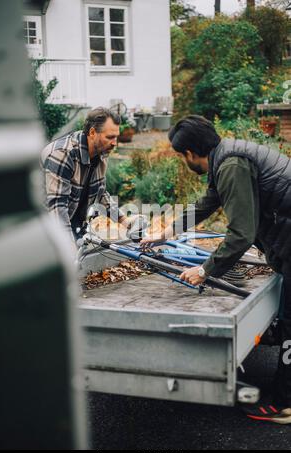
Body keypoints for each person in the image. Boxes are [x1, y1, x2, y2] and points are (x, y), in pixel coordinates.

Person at [141, 115, 291, 424]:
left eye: (181, 157)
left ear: (189, 153)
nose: (184, 162)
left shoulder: (231, 167)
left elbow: (241, 234)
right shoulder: (228, 156)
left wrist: (206, 270)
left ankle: (284, 403)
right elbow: (207, 204)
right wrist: (167, 231)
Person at [41, 107, 131, 243]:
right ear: (93, 132)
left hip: (73, 221)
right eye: (110, 137)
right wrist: (68, 247)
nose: (115, 143)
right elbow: (57, 207)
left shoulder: (101, 152)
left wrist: (123, 220)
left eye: (116, 137)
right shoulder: (63, 154)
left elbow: (101, 192)